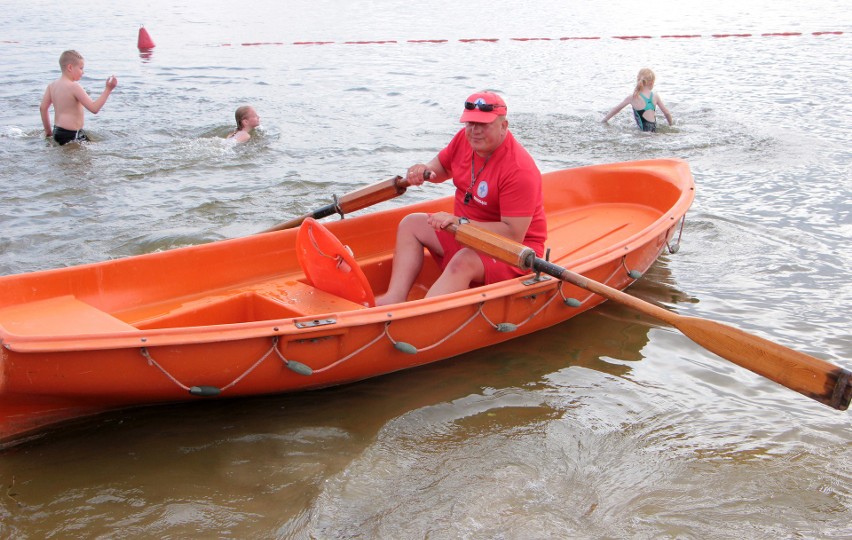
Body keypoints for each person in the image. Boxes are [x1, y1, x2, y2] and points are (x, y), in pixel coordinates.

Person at [375, 91, 547, 306]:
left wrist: (460, 223)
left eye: (483, 125)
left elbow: (513, 234)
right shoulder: (464, 140)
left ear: (504, 125)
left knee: (463, 260)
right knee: (411, 224)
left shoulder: (520, 170)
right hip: (466, 234)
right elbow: (441, 169)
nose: (475, 131)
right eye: (470, 123)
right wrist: (424, 170)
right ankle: (394, 299)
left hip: (513, 251)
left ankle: (416, 317)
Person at [40, 50, 118, 145]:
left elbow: (43, 108)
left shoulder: (51, 86)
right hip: (71, 134)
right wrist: (108, 89)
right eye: (81, 68)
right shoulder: (74, 86)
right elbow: (94, 108)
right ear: (70, 67)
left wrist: (48, 132)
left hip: (57, 132)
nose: (83, 72)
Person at [602, 68, 673, 132]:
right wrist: (670, 125)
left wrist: (605, 120)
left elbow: (616, 109)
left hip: (643, 131)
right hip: (653, 128)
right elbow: (666, 113)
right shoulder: (655, 95)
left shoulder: (633, 97)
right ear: (652, 82)